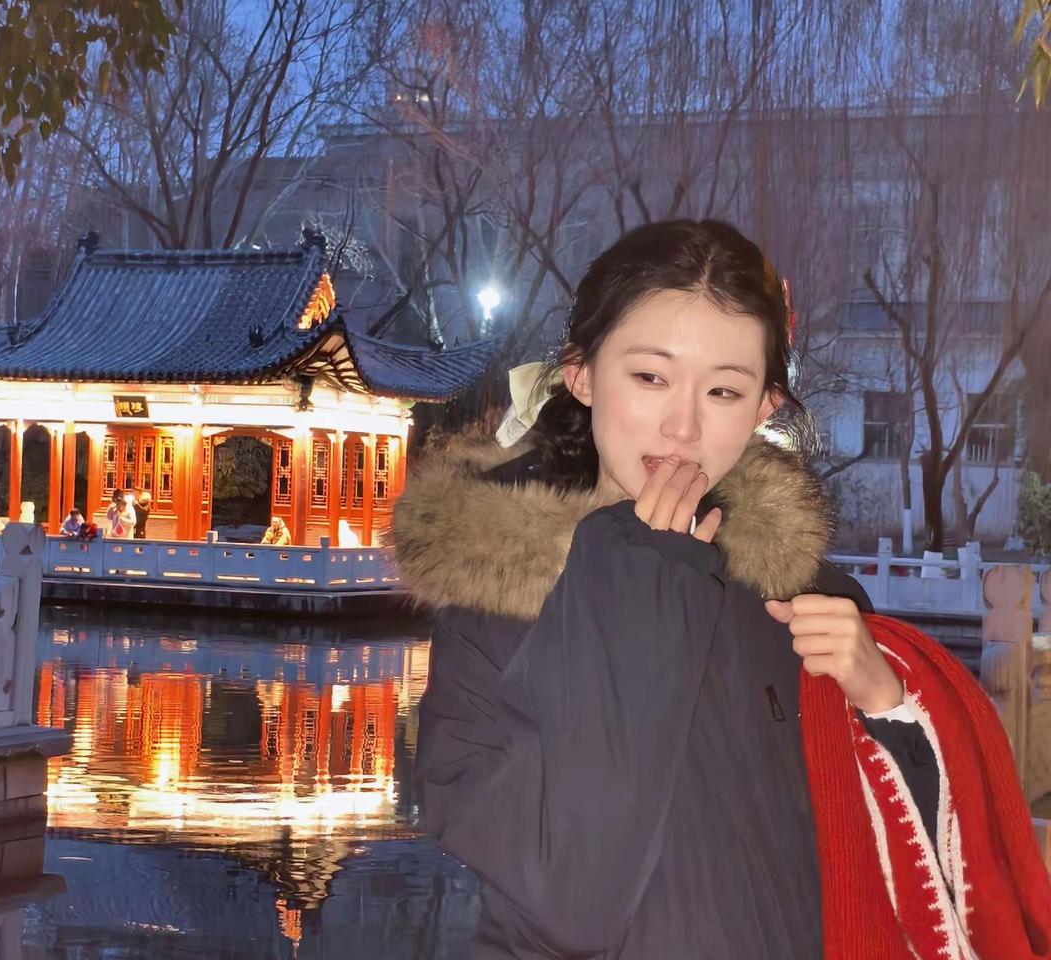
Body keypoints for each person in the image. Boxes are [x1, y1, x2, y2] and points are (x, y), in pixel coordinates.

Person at [392, 219, 1051, 959]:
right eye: (650, 378)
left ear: (765, 406)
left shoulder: (800, 595)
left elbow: (920, 870)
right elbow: (565, 905)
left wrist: (886, 704)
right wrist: (637, 576)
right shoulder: (490, 608)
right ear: (581, 374)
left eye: (725, 390)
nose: (683, 426)